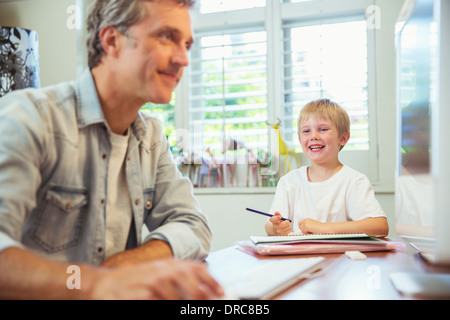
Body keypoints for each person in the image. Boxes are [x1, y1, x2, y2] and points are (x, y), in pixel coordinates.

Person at [0, 0, 223, 299]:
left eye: (187, 44)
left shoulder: (152, 136)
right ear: (112, 40)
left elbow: (193, 225)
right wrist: (94, 282)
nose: (183, 58)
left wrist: (125, 268)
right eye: (167, 37)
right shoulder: (30, 118)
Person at [265, 99, 389, 237]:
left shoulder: (354, 181)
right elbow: (270, 227)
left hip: (340, 257)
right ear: (300, 140)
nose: (313, 136)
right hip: (299, 257)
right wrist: (275, 228)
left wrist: (322, 228)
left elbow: (380, 226)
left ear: (342, 138)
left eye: (323, 129)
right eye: (306, 131)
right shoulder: (289, 182)